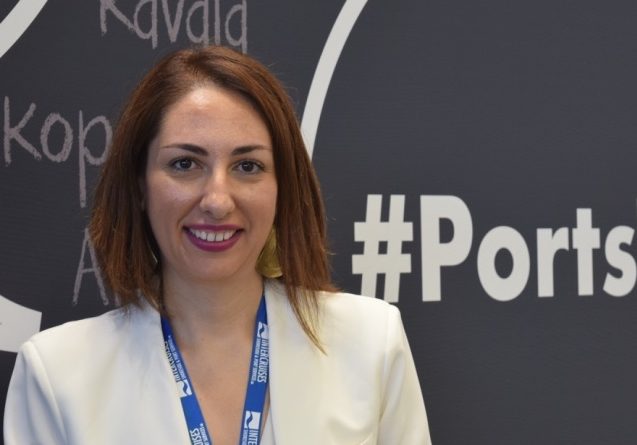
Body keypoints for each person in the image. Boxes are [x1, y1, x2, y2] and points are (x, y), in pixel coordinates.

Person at [4, 45, 431, 445]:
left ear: (282, 187)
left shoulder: (371, 343)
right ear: (139, 186)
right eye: (184, 164)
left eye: (248, 166)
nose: (218, 201)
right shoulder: (57, 375)